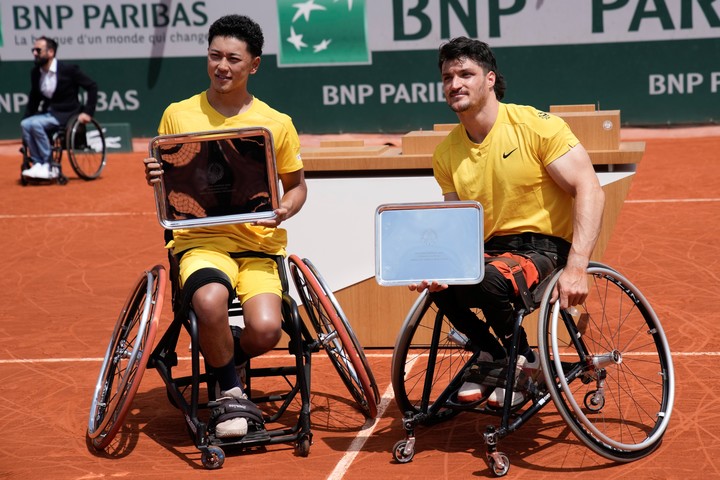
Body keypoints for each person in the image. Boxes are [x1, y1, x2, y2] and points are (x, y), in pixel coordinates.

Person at [411, 37, 605, 408]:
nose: (455, 84)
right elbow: (457, 226)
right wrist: (438, 267)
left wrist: (578, 267)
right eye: (448, 77)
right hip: (489, 251)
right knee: (443, 284)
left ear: (489, 78)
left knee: (487, 279)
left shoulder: (536, 127)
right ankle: (497, 356)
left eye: (466, 74)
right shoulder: (446, 152)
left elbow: (590, 190)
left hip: (544, 247)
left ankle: (522, 361)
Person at [143, 14, 307, 438]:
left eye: (233, 58)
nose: (222, 66)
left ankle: (225, 354)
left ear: (253, 65)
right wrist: (157, 180)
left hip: (258, 246)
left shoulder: (277, 123)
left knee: (269, 329)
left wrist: (285, 209)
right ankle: (230, 391)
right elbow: (171, 189)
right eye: (215, 56)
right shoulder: (178, 115)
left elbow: (297, 187)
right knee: (211, 301)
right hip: (200, 242)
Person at [21, 36, 98, 180]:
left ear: (50, 52)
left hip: (67, 114)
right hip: (48, 113)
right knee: (26, 124)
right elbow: (34, 99)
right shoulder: (36, 72)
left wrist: (88, 112)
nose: (35, 53)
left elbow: (91, 86)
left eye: (38, 50)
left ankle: (48, 165)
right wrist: (27, 116)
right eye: (33, 50)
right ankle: (39, 163)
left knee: (36, 124)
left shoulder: (69, 70)